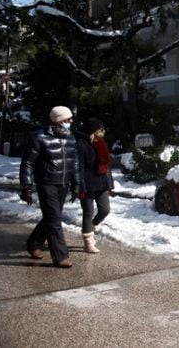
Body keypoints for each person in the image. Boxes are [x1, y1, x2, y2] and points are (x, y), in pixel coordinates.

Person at [19, 105, 82, 268]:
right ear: (59, 120)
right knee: (54, 219)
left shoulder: (71, 138)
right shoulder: (39, 137)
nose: (71, 122)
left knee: (51, 216)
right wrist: (26, 185)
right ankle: (61, 256)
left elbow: (74, 162)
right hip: (46, 183)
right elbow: (27, 163)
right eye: (68, 119)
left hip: (63, 183)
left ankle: (34, 243)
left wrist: (76, 183)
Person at [75, 117, 113, 254]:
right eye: (100, 129)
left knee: (105, 210)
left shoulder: (100, 142)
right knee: (88, 212)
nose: (103, 131)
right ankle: (88, 242)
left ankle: (92, 225)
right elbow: (78, 167)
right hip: (87, 183)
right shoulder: (81, 143)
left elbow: (106, 166)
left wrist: (110, 185)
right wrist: (80, 186)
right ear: (92, 130)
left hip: (102, 183)